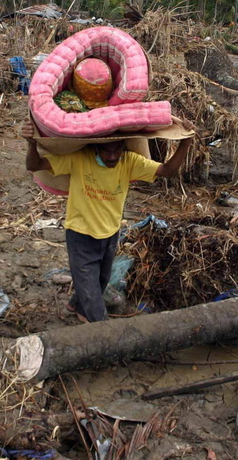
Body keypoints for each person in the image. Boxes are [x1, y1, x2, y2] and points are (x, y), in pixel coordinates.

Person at [22, 118, 195, 323]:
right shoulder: (79, 159)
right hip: (81, 235)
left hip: (111, 233)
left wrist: (186, 142)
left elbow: (167, 171)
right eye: (106, 151)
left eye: (117, 150)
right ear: (95, 148)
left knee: (101, 281)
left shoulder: (129, 161)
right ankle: (104, 334)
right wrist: (32, 143)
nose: (113, 156)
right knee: (94, 303)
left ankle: (75, 305)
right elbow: (34, 165)